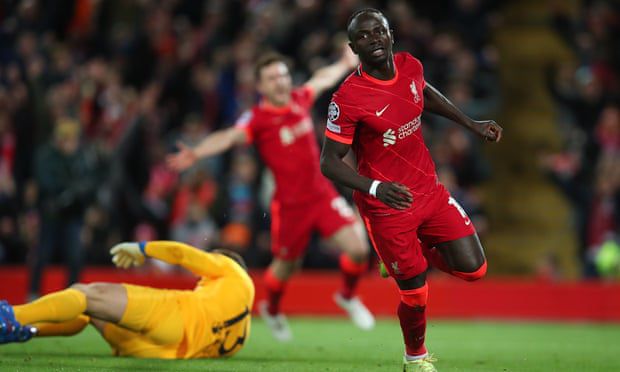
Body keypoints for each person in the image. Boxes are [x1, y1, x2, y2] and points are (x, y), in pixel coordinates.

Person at [320, 9, 502, 372]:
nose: (373, 39)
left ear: (391, 35)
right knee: (416, 293)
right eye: (364, 36)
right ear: (353, 47)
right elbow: (329, 162)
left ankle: (407, 261)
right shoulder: (348, 98)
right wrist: (375, 187)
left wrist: (470, 123)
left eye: (379, 31)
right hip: (387, 205)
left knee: (475, 270)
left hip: (429, 190)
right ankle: (414, 359)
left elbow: (425, 94)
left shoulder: (411, 65)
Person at [167, 46, 375, 341]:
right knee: (286, 267)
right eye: (272, 77)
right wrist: (198, 152)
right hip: (289, 207)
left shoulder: (299, 100)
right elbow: (230, 136)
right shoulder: (257, 119)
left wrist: (343, 62)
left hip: (321, 195)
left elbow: (321, 79)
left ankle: (347, 296)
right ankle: (273, 309)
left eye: (284, 75)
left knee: (358, 250)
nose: (280, 81)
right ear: (261, 86)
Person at [0, 241, 253, 359]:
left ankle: (13, 317)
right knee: (90, 311)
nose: (201, 278)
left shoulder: (231, 268)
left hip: (176, 316)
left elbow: (182, 254)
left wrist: (143, 249)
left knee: (87, 293)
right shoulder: (242, 329)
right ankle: (26, 331)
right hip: (158, 352)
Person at [30, 118, 97, 298]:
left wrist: (70, 193)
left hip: (73, 214)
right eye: (68, 139)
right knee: (43, 255)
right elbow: (46, 184)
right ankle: (33, 293)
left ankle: (71, 297)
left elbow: (89, 184)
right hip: (50, 213)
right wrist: (70, 190)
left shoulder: (81, 157)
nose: (72, 143)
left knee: (75, 256)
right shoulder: (45, 156)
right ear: (59, 139)